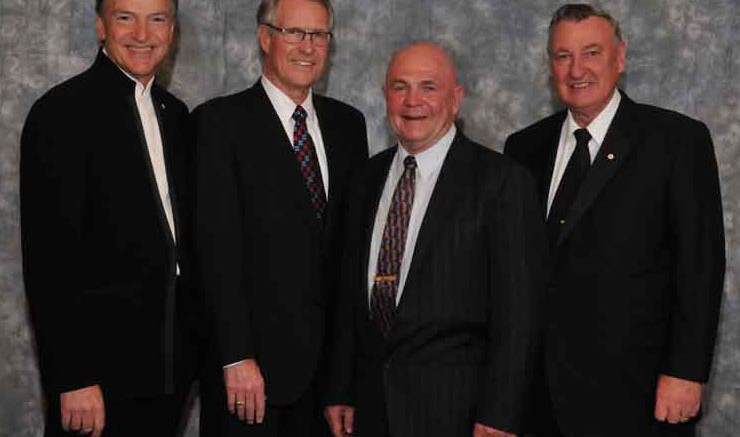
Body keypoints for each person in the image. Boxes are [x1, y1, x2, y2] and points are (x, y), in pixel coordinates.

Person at [504, 4, 725, 437]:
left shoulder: (676, 141)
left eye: (591, 53)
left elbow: (700, 265)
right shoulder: (523, 148)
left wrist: (687, 372)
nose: (576, 69)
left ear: (619, 58)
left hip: (639, 394)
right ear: (549, 63)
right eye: (563, 55)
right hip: (540, 396)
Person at [324, 42, 545, 437]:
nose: (413, 101)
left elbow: (519, 315)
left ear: (456, 98)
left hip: (459, 411)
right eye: (400, 87)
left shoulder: (502, 182)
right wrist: (341, 387)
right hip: (371, 407)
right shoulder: (364, 179)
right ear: (384, 95)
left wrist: (500, 414)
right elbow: (349, 298)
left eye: (429, 87)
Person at [191, 0, 368, 435]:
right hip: (249, 379)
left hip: (326, 385)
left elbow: (349, 260)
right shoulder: (218, 123)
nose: (307, 47)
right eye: (294, 33)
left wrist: (343, 380)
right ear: (265, 37)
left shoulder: (349, 125)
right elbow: (214, 251)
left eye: (319, 35)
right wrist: (235, 356)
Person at [20, 0, 194, 436]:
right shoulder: (60, 113)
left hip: (169, 369)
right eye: (125, 17)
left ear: (171, 32)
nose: (142, 33)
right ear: (101, 27)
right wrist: (74, 377)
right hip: (97, 376)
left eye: (157, 19)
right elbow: (48, 261)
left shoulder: (178, 116)